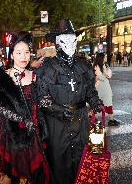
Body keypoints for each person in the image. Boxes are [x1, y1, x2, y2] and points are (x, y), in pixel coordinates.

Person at [37, 19, 103, 184]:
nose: (70, 43)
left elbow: (90, 90)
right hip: (58, 125)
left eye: (73, 38)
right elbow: (41, 98)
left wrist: (95, 102)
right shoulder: (47, 68)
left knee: (83, 159)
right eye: (65, 39)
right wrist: (59, 110)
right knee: (60, 162)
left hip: (81, 121)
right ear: (57, 42)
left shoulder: (83, 65)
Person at [0, 31, 49, 184]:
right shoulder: (2, 77)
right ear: (12, 55)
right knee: (11, 175)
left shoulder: (35, 76)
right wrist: (19, 118)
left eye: (27, 52)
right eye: (19, 52)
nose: (24, 56)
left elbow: (40, 101)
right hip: (11, 132)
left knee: (35, 174)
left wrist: (46, 102)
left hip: (34, 131)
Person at [93, 53, 120, 126]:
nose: (106, 58)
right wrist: (105, 74)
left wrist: (105, 74)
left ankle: (111, 120)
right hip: (99, 86)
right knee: (97, 103)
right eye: (105, 57)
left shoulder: (105, 65)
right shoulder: (96, 66)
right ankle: (92, 118)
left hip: (105, 86)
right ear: (101, 58)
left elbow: (109, 75)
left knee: (108, 102)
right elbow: (101, 77)